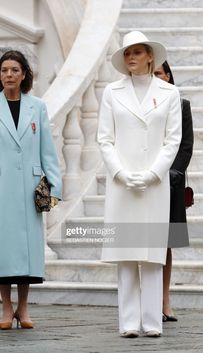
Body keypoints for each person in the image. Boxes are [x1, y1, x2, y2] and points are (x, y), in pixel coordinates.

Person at [97, 31, 182, 338]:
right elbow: (104, 138)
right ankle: (129, 323)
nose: (130, 57)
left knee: (152, 254)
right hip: (123, 186)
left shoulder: (169, 94)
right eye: (126, 53)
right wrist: (120, 173)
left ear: (150, 56)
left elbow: (173, 140)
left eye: (136, 52)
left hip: (154, 185)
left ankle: (152, 322)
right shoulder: (112, 92)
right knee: (126, 252)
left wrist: (152, 174)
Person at [0, 50, 62, 330]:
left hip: (30, 189)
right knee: (2, 251)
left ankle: (23, 308)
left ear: (24, 74)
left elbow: (47, 150)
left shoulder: (37, 106)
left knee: (27, 251)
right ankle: (5, 307)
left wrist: (55, 187)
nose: (9, 75)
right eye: (4, 70)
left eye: (14, 70)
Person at [154, 61, 193, 321]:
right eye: (152, 73)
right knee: (139, 239)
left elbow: (186, 145)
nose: (155, 77)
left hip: (170, 182)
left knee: (166, 243)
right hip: (142, 180)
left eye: (159, 72)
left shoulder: (181, 104)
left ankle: (165, 299)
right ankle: (144, 300)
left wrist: (171, 174)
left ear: (168, 75)